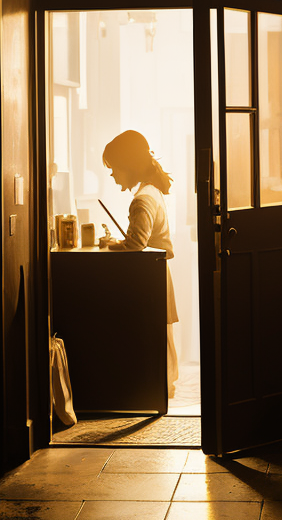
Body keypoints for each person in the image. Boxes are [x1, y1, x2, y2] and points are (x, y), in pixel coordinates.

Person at [103, 129, 179, 398]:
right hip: (157, 273)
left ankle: (155, 393)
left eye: (114, 169)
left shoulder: (142, 200)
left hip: (151, 277)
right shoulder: (152, 191)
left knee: (153, 338)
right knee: (160, 337)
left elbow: (135, 244)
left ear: (128, 166)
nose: (112, 175)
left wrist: (111, 246)